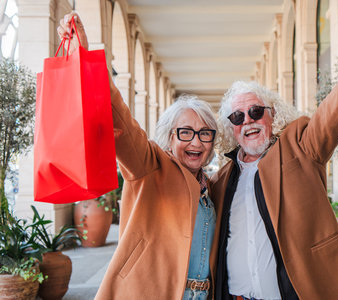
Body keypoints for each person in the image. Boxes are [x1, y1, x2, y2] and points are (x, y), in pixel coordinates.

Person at [210, 1, 338, 299]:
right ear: (230, 128)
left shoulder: (300, 145)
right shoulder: (220, 181)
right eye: (237, 116)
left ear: (272, 115)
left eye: (256, 111)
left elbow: (333, 114)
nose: (248, 121)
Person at [58, 13, 218, 300]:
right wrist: (86, 56)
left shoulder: (211, 185)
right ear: (169, 137)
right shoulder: (150, 166)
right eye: (186, 132)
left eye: (205, 133)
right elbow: (121, 122)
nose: (196, 141)